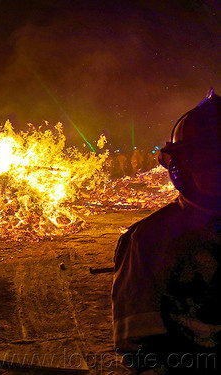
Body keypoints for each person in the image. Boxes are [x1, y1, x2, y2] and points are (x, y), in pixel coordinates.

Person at [112, 88, 221, 374]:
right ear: (181, 167)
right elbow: (142, 351)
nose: (219, 170)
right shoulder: (147, 241)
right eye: (208, 161)